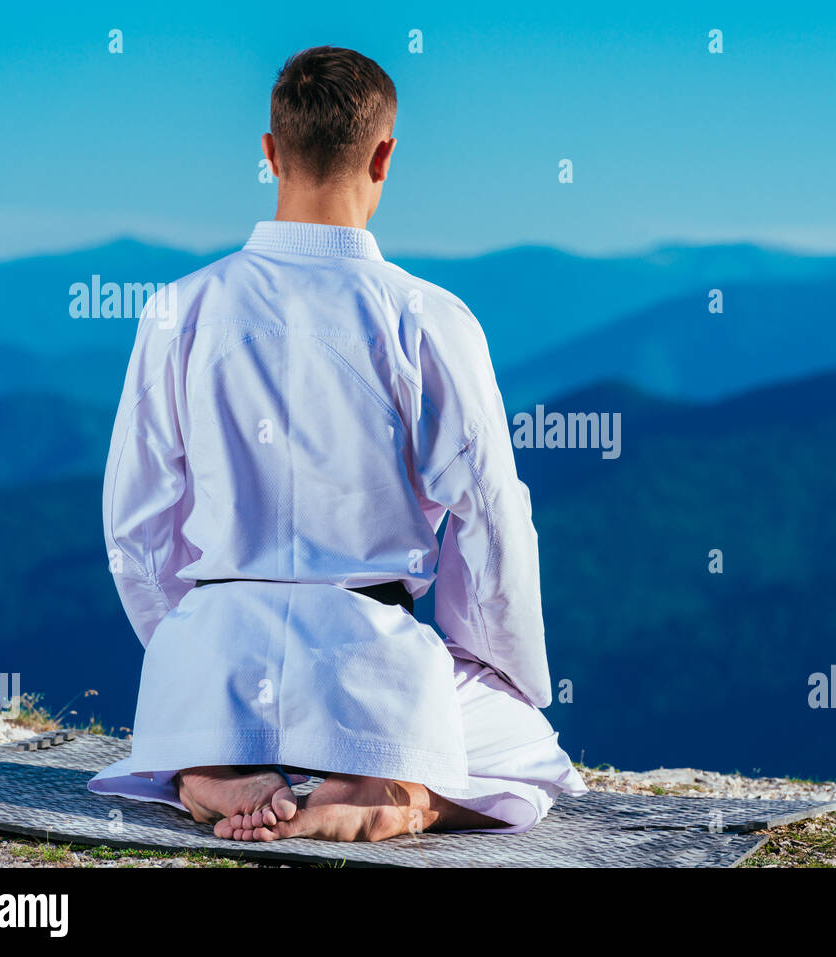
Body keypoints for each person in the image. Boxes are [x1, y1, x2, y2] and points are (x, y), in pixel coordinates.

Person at [87, 45, 587, 842]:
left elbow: (134, 528)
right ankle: (396, 793)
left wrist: (187, 648)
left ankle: (208, 765)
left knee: (206, 707)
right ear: (385, 154)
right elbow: (492, 519)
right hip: (370, 659)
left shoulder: (177, 310)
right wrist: (489, 666)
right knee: (531, 750)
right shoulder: (429, 317)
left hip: (213, 656)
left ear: (269, 155)